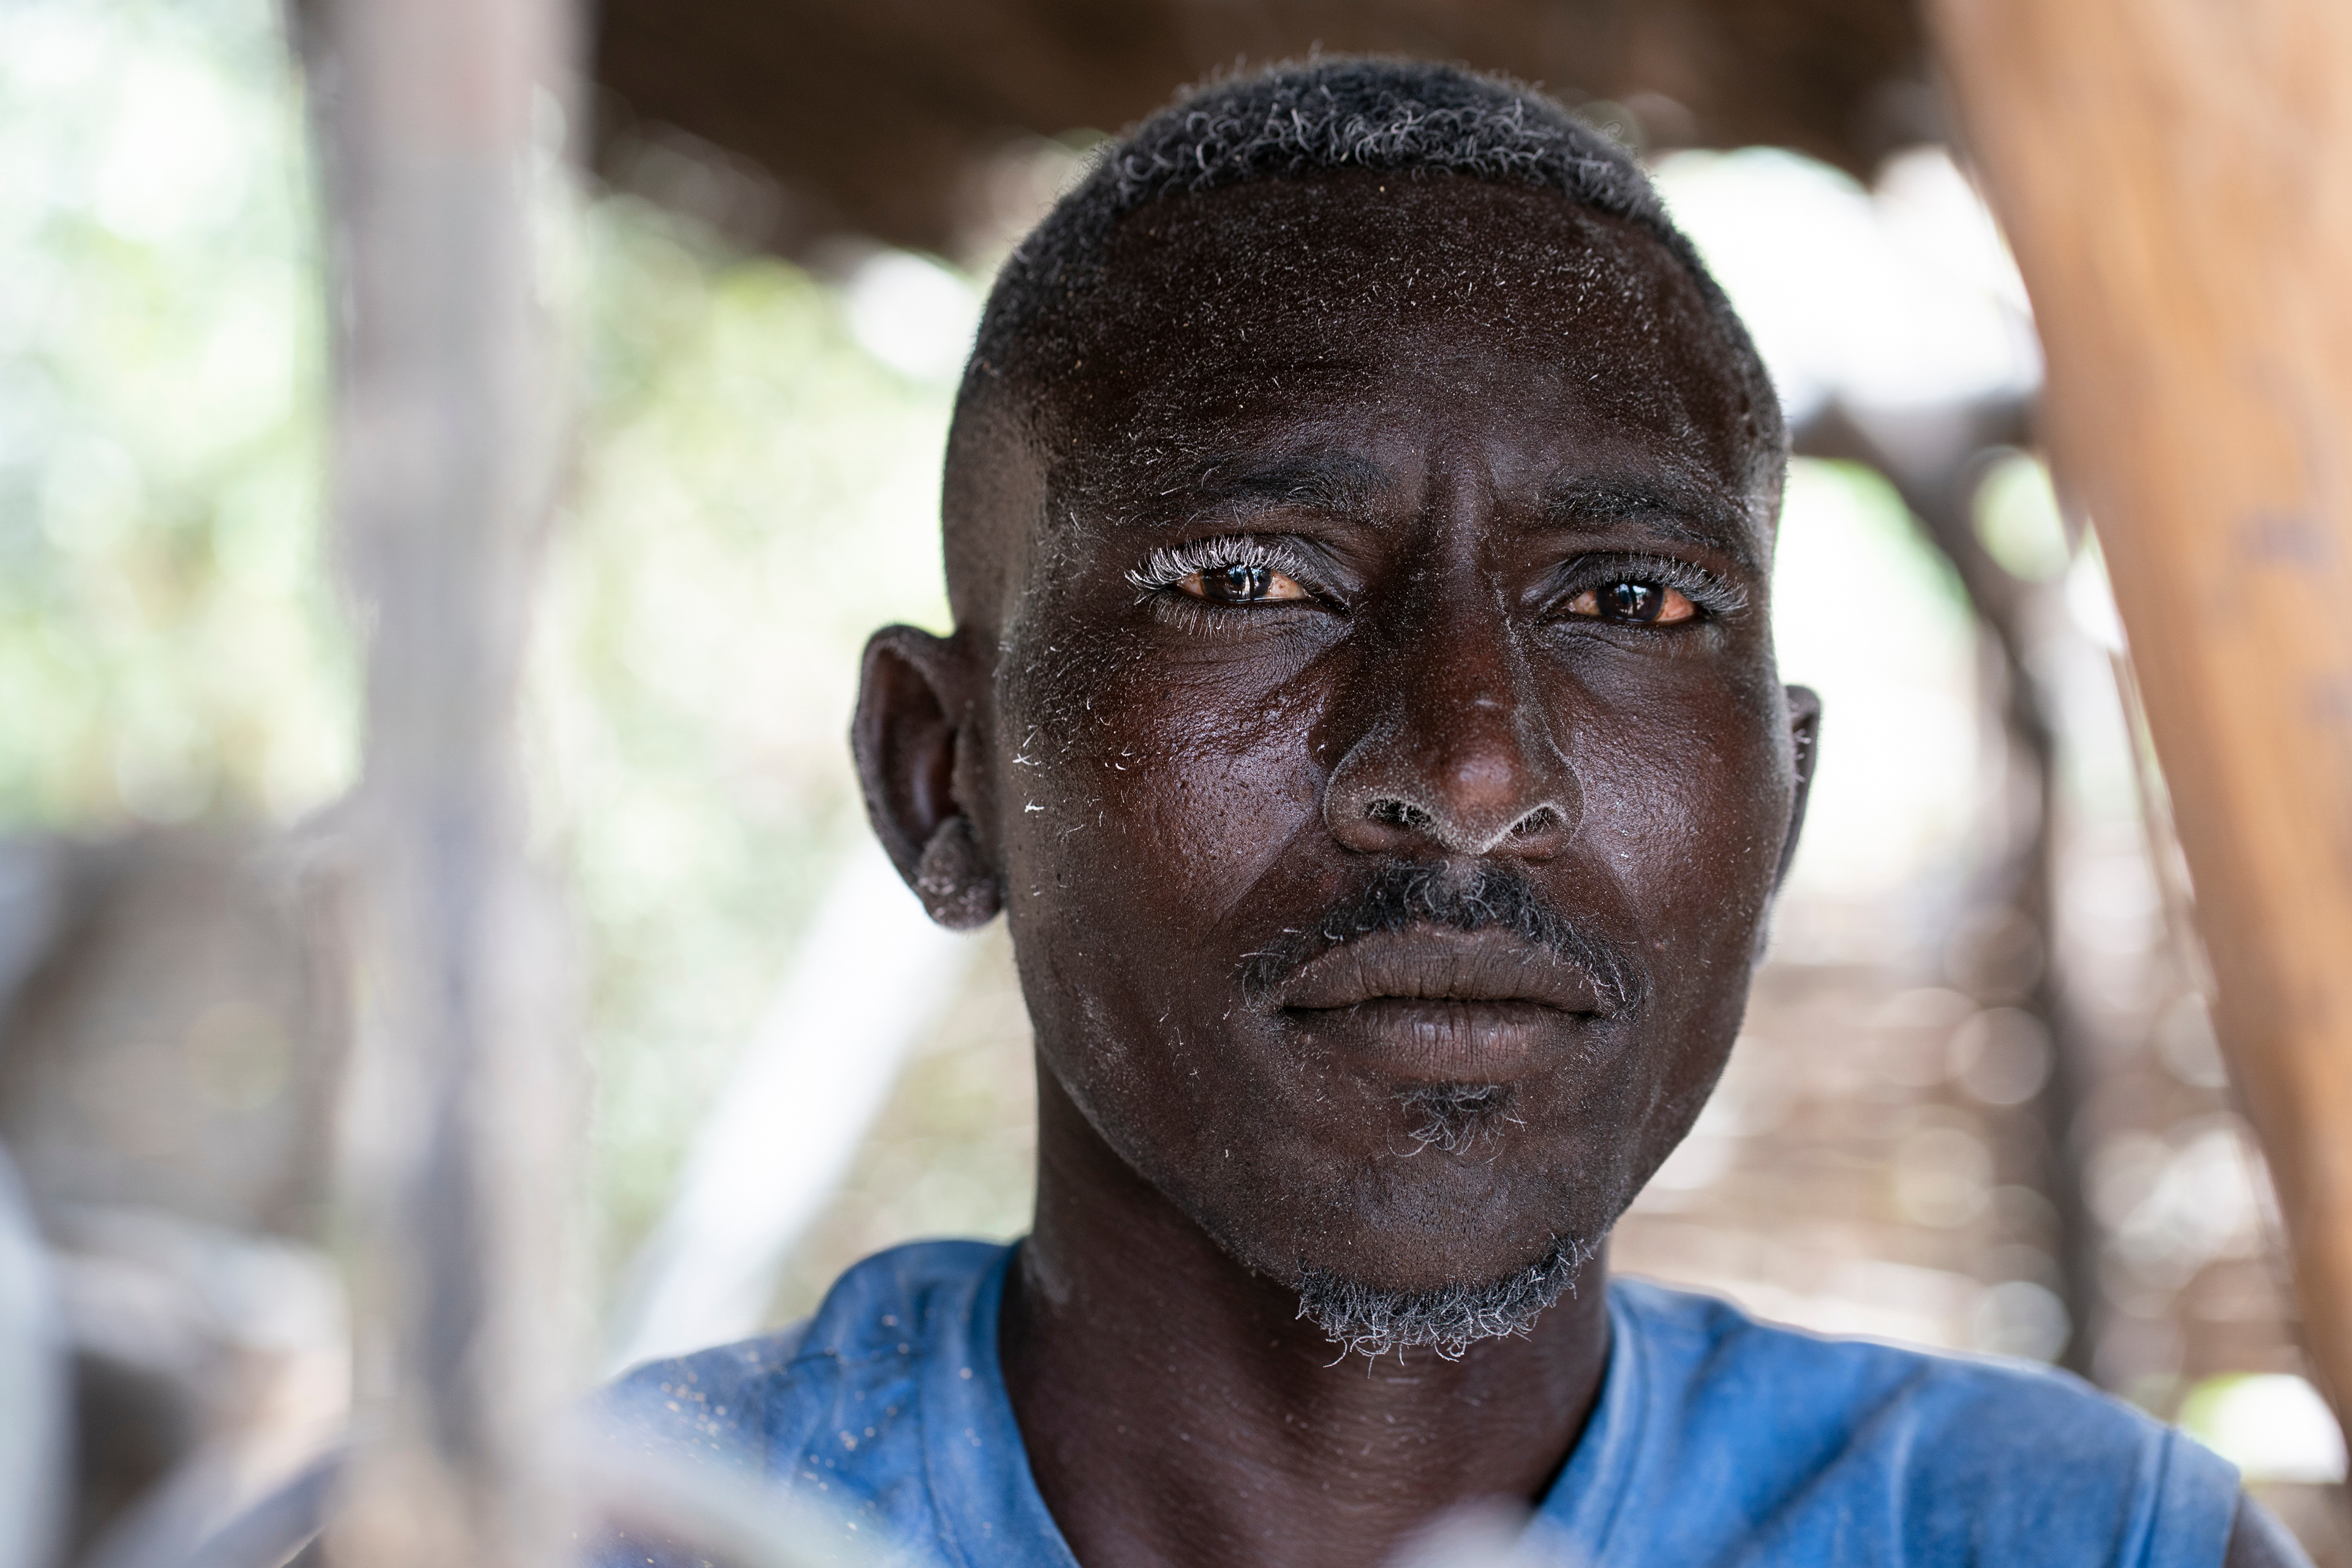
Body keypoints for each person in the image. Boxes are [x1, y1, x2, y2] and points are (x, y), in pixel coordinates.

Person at [598, 59, 2308, 1568]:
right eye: (1259, 578)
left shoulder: (2073, 1542)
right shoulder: (555, 1541)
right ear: (938, 779)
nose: (1478, 773)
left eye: (1631, 605)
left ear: (1778, 813)